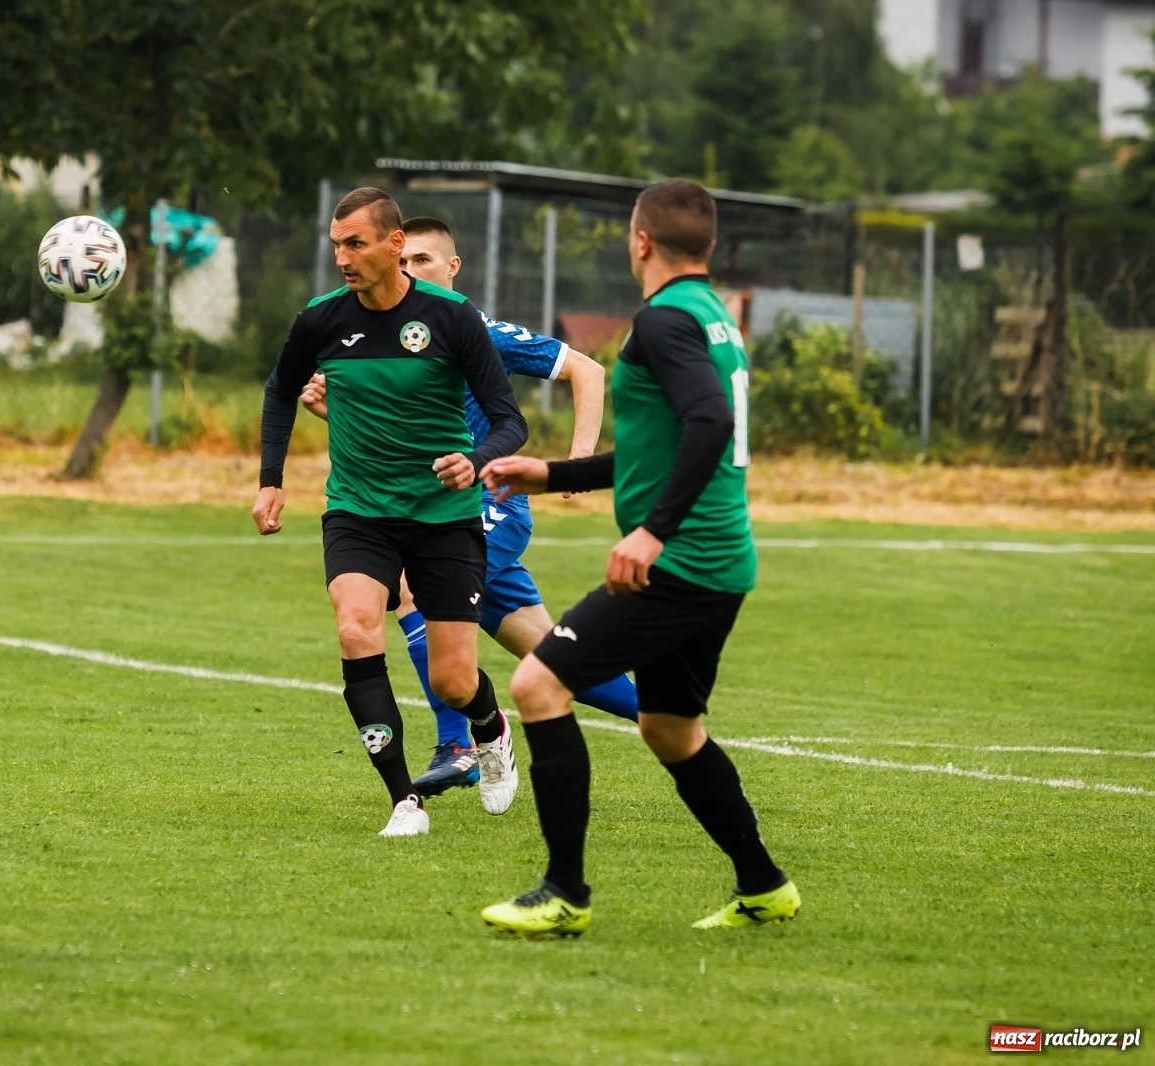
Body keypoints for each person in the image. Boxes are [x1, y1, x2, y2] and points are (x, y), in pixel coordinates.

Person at [476, 178, 799, 936]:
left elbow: (709, 420)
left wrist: (652, 531)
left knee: (536, 683)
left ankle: (564, 892)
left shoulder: (659, 323)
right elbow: (661, 446)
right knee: (669, 729)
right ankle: (764, 884)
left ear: (640, 241)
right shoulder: (713, 316)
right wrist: (552, 474)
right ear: (709, 246)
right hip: (721, 563)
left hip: (678, 565)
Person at [299, 216, 639, 816]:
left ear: (453, 269)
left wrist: (578, 460)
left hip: (487, 508)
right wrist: (331, 411)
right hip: (423, 506)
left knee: (407, 587)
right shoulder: (378, 331)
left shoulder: (473, 327)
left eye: (423, 261)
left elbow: (587, 369)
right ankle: (667, 709)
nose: (408, 273)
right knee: (551, 658)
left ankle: (458, 744)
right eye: (403, 262)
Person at [253, 187, 528, 837]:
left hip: (443, 515)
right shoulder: (321, 319)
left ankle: (491, 735)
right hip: (358, 511)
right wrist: (271, 481)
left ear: (394, 245)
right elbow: (279, 391)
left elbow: (509, 421)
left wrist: (476, 457)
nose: (343, 257)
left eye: (356, 243)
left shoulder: (453, 317)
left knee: (455, 680)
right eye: (336, 245)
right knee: (355, 630)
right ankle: (404, 799)